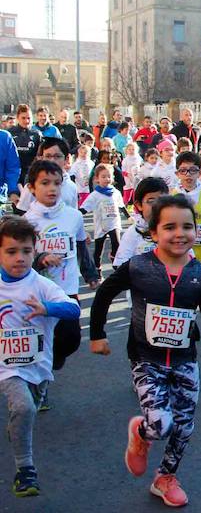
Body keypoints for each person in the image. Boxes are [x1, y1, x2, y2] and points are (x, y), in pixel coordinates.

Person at [89, 195, 201, 508]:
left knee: (183, 426)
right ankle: (140, 433)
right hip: (146, 360)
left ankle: (165, 477)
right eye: (169, 227)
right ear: (154, 233)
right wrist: (97, 335)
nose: (179, 233)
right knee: (160, 424)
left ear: (196, 230)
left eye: (187, 226)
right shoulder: (139, 267)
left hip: (184, 361)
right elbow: (104, 294)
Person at [0, 216, 79, 497]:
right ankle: (25, 469)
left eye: (26, 251)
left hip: (38, 365)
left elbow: (73, 310)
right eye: (11, 251)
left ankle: (18, 426)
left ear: (35, 251)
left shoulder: (40, 285)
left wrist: (46, 309)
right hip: (6, 367)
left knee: (25, 410)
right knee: (24, 408)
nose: (20, 258)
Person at [24, 160, 99, 384]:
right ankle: (39, 380)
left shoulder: (73, 216)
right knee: (38, 339)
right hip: (37, 289)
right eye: (45, 183)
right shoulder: (27, 221)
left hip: (66, 288)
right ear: (31, 188)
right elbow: (21, 259)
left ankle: (51, 363)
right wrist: (41, 259)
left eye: (57, 183)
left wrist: (90, 273)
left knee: (72, 337)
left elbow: (80, 246)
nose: (52, 188)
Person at [80, 163, 126, 273]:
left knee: (117, 243)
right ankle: (97, 269)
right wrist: (76, 215)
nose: (107, 179)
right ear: (97, 179)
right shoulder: (95, 195)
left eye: (109, 176)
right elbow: (84, 208)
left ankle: (115, 261)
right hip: (101, 225)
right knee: (98, 249)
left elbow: (121, 206)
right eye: (103, 177)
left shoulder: (115, 192)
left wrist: (129, 217)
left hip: (114, 223)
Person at [113, 177, 169, 267]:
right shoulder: (133, 233)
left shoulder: (174, 229)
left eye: (162, 201)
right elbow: (120, 265)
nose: (157, 206)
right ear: (139, 205)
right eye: (151, 201)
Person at [10, 104, 41, 187]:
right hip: (13, 173)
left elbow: (41, 155)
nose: (26, 121)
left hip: (30, 173)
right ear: (17, 118)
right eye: (23, 118)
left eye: (29, 118)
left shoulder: (36, 134)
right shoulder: (10, 133)